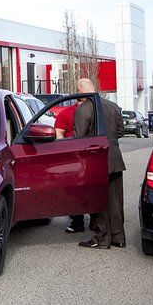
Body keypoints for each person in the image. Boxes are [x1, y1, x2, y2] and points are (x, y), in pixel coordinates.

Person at [72, 78, 126, 250]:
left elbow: (78, 139)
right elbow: (120, 132)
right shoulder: (113, 106)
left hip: (96, 162)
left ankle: (102, 238)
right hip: (115, 159)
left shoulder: (83, 109)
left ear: (80, 91)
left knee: (98, 200)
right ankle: (119, 236)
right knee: (116, 200)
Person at [55, 98, 87, 233]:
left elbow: (58, 136)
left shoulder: (66, 113)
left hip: (73, 156)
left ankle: (78, 222)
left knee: (74, 190)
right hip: (92, 153)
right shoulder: (97, 112)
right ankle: (96, 222)